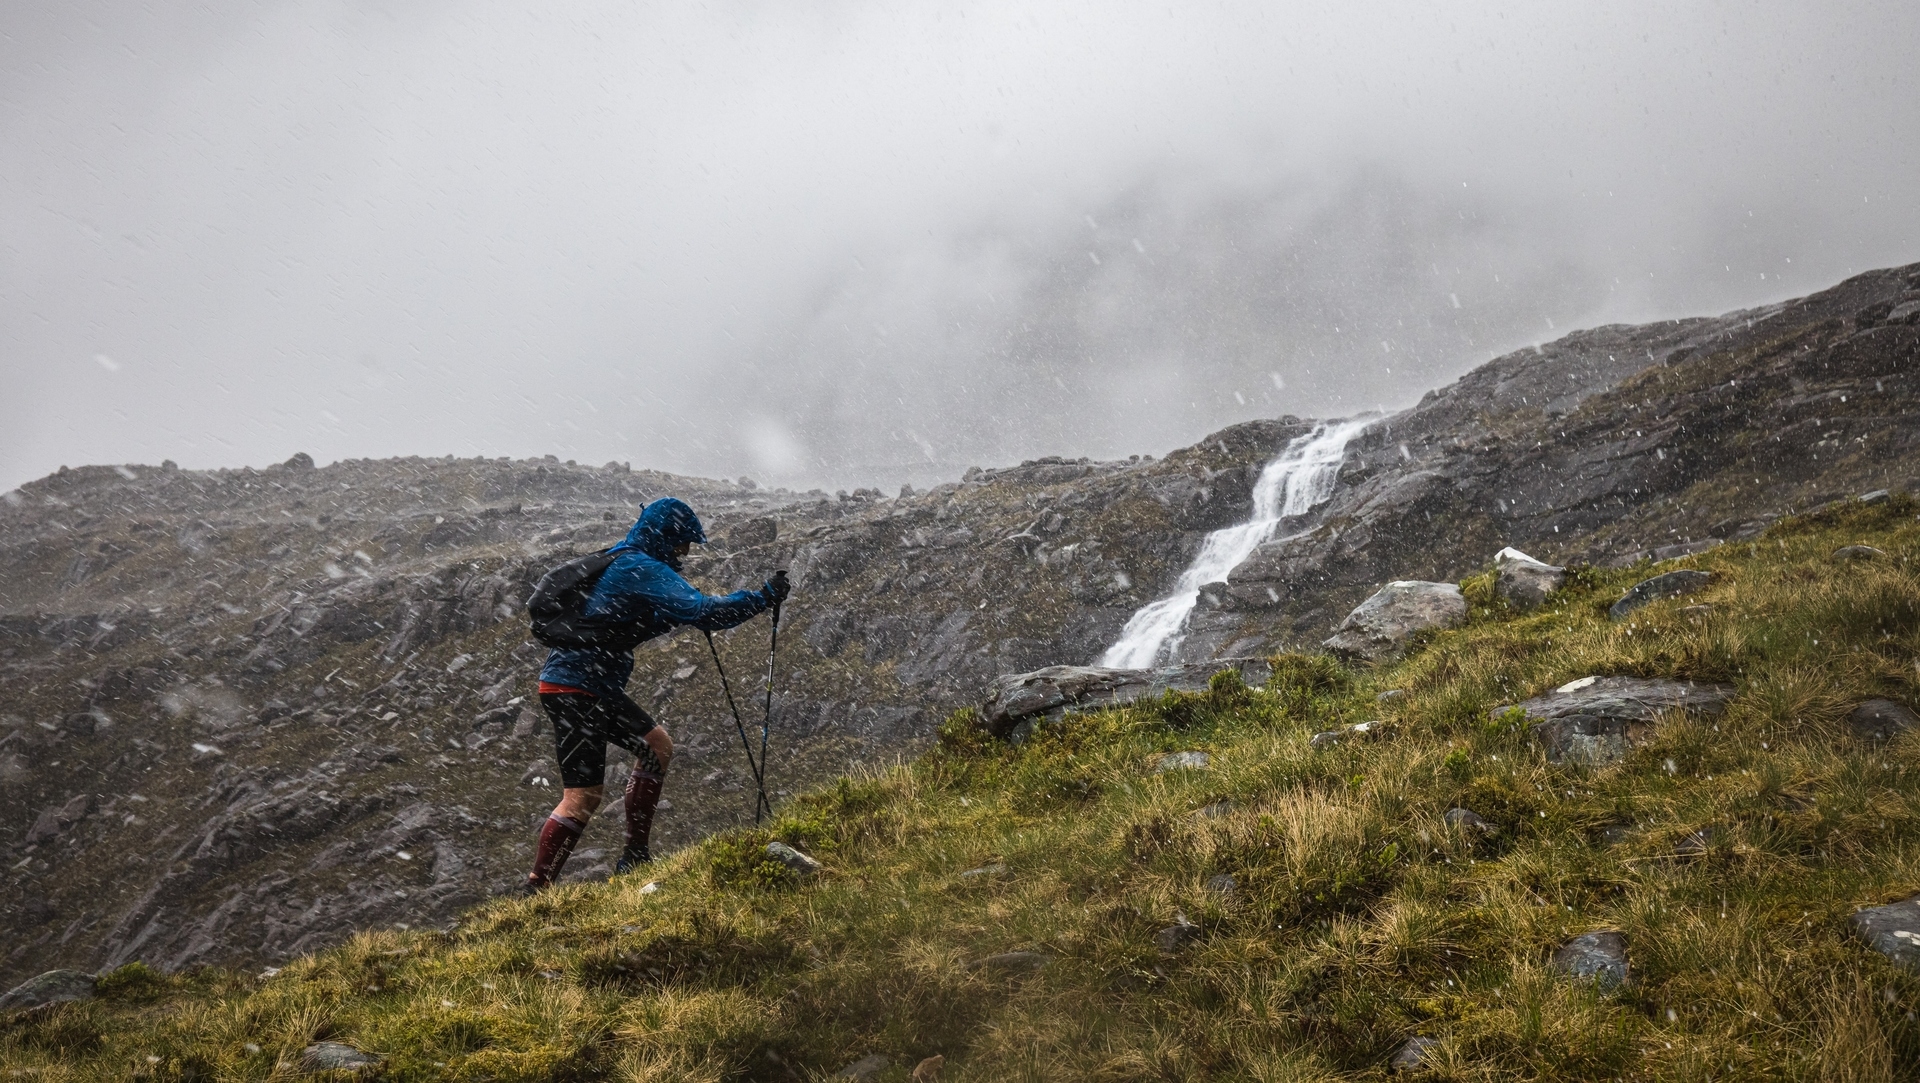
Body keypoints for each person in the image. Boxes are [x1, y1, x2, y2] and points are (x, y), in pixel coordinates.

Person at [519, 496, 788, 894]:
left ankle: (633, 857)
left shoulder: (621, 558)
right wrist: (763, 597)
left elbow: (633, 618)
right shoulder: (639, 567)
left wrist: (687, 612)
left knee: (655, 746)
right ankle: (536, 891)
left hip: (579, 685)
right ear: (667, 536)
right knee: (583, 796)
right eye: (684, 542)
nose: (685, 552)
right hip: (578, 688)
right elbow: (705, 612)